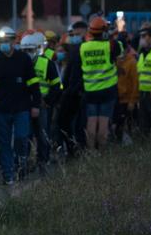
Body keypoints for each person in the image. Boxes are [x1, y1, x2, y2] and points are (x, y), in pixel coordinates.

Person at [0, 28, 40, 185]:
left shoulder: (23, 59)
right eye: (1, 42)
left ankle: (21, 164)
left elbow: (33, 84)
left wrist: (35, 105)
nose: (4, 44)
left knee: (22, 138)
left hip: (22, 108)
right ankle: (8, 174)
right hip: (2, 109)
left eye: (7, 41)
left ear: (13, 41)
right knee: (4, 143)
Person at [79, 16, 124, 151]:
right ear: (104, 31)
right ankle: (102, 152)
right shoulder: (111, 45)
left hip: (90, 90)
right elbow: (120, 50)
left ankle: (91, 151)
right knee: (104, 122)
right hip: (107, 90)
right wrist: (111, 35)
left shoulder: (83, 47)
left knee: (91, 121)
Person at [23, 32, 61, 172]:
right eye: (25, 50)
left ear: (37, 49)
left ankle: (42, 162)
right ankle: (25, 162)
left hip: (42, 105)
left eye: (30, 50)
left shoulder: (47, 63)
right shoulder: (20, 63)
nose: (28, 53)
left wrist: (47, 100)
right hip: (25, 106)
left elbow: (56, 85)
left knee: (42, 135)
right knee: (25, 135)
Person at [55, 20, 88, 158]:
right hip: (70, 93)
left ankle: (77, 150)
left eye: (77, 34)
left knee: (79, 125)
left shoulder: (84, 49)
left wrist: (73, 90)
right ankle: (71, 149)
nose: (74, 37)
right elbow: (68, 74)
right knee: (64, 122)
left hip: (79, 92)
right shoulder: (73, 50)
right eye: (73, 34)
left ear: (85, 32)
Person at [114, 40, 140, 143]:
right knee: (117, 125)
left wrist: (132, 101)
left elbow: (135, 83)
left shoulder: (132, 62)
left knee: (130, 124)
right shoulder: (114, 62)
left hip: (127, 100)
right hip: (117, 99)